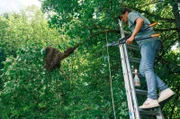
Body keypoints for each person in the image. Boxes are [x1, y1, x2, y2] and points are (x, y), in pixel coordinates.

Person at [120, 8, 175, 109]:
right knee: (142, 71)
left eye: (122, 17)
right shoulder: (134, 17)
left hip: (148, 42)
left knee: (147, 68)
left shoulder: (131, 14)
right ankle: (164, 89)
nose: (122, 20)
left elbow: (140, 21)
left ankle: (152, 97)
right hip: (151, 42)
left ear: (126, 13)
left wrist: (132, 36)